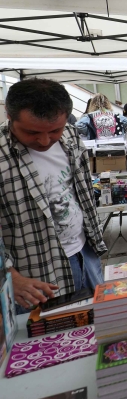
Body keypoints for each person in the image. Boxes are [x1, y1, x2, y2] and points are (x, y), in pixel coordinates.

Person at [0, 79, 107, 311]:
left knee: (95, 326)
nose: (45, 141)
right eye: (32, 132)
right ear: (9, 116)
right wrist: (10, 276)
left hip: (84, 254)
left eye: (54, 130)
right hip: (31, 275)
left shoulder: (71, 136)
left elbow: (82, 193)